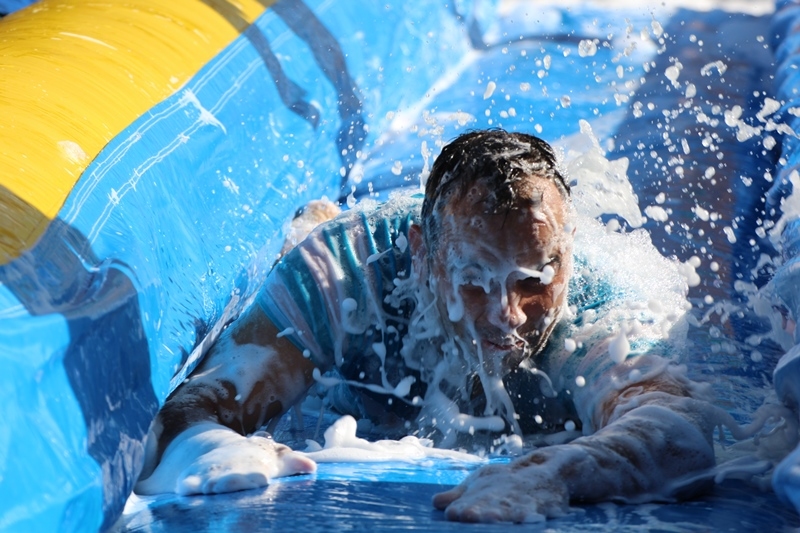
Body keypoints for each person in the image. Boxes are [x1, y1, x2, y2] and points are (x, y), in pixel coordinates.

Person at [135, 129, 720, 523]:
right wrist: (204, 444)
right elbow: (205, 401)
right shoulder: (348, 274)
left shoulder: (599, 305)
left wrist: (559, 473)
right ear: (422, 253)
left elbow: (678, 435)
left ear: (565, 256)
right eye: (474, 280)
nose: (508, 314)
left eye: (533, 281)